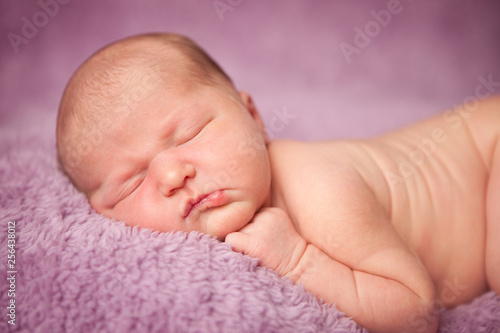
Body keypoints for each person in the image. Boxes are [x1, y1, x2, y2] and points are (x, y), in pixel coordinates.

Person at [56, 33, 500, 333]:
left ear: (253, 118)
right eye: (132, 183)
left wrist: (299, 261)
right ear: (102, 213)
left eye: (189, 135)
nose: (172, 176)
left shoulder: (317, 188)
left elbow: (418, 312)